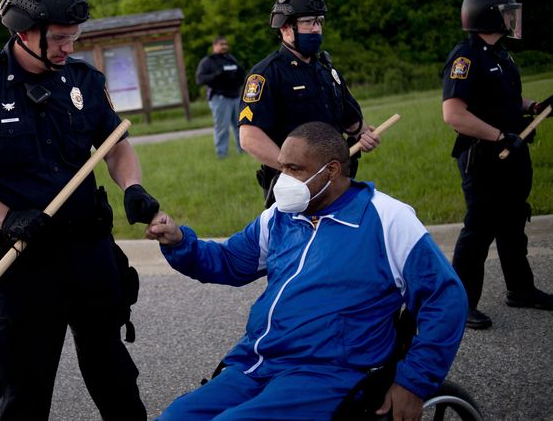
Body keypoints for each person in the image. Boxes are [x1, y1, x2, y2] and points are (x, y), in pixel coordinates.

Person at [0, 0, 158, 420]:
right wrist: (5, 217)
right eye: (62, 38)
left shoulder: (84, 80)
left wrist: (134, 186)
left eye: (75, 37)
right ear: (26, 32)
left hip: (90, 254)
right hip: (20, 261)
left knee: (118, 384)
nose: (71, 47)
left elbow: (116, 146)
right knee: (24, 396)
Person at [146, 121, 468, 420]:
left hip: (326, 372)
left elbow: (445, 298)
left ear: (331, 170)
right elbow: (230, 261)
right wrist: (179, 243)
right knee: (176, 416)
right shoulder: (280, 217)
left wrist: (414, 382)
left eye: (293, 169)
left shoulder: (388, 219)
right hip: (256, 362)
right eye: (281, 166)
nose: (282, 178)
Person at [442, 0, 553, 330]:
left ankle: (520, 290)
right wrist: (499, 136)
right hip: (485, 157)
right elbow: (454, 114)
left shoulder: (502, 55)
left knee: (513, 222)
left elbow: (507, 99)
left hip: (513, 154)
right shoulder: (465, 58)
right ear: (488, 16)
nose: (511, 18)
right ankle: (461, 306)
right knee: (479, 230)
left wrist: (534, 107)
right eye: (506, 12)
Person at [238, 0, 380, 206]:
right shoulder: (266, 74)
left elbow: (351, 120)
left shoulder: (327, 70)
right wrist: (294, 171)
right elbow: (249, 137)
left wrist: (364, 134)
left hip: (339, 182)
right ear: (286, 27)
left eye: (319, 22)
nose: (316, 29)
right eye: (308, 22)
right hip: (294, 190)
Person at [195, 35, 246, 158]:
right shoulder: (208, 61)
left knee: (240, 126)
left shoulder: (231, 59)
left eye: (225, 44)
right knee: (222, 128)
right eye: (221, 44)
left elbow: (240, 77)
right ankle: (222, 154)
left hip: (235, 97)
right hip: (220, 98)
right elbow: (199, 79)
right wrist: (216, 75)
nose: (224, 47)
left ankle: (243, 151)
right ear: (215, 46)